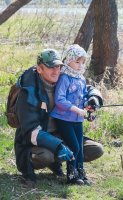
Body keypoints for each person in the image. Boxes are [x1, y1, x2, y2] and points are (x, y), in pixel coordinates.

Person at [14, 48, 104, 185]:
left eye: (58, 67)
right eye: (51, 67)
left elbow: (86, 88)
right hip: (36, 141)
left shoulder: (62, 79)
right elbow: (30, 132)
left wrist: (94, 98)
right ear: (39, 69)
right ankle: (32, 163)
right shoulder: (28, 92)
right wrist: (58, 146)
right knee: (47, 156)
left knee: (95, 149)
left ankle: (73, 170)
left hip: (62, 133)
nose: (56, 71)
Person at [51, 44, 94, 185]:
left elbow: (84, 96)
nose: (80, 65)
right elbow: (59, 99)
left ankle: (81, 173)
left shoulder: (81, 78)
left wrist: (88, 105)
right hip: (64, 118)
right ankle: (71, 176)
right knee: (74, 146)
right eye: (77, 61)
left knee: (80, 147)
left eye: (82, 62)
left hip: (78, 119)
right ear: (68, 60)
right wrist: (76, 109)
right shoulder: (64, 78)